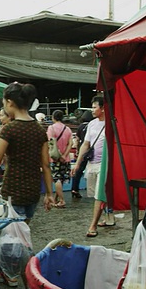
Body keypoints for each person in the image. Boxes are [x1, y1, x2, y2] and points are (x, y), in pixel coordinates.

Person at [0, 82, 54, 289]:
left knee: (19, 244)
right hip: (32, 193)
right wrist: (48, 193)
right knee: (18, 236)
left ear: (10, 102)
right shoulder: (39, 130)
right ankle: (7, 272)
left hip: (12, 194)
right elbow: (46, 166)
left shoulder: (10, 129)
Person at [71, 96, 107, 237]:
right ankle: (109, 215)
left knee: (99, 194)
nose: (92, 110)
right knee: (95, 194)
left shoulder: (111, 124)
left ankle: (93, 226)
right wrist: (78, 164)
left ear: (103, 108)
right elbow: (85, 145)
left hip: (104, 165)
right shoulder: (91, 124)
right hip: (92, 164)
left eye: (94, 107)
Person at [47, 110, 73, 208]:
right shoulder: (68, 129)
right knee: (61, 178)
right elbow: (70, 143)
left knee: (56, 178)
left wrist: (58, 155)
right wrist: (64, 155)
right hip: (65, 158)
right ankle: (57, 198)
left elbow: (51, 143)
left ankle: (62, 200)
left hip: (55, 158)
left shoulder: (51, 128)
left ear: (53, 117)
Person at [70, 110, 94, 199]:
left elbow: (77, 139)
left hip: (82, 150)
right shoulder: (92, 126)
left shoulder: (80, 126)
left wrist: (77, 150)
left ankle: (74, 188)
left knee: (79, 170)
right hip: (91, 151)